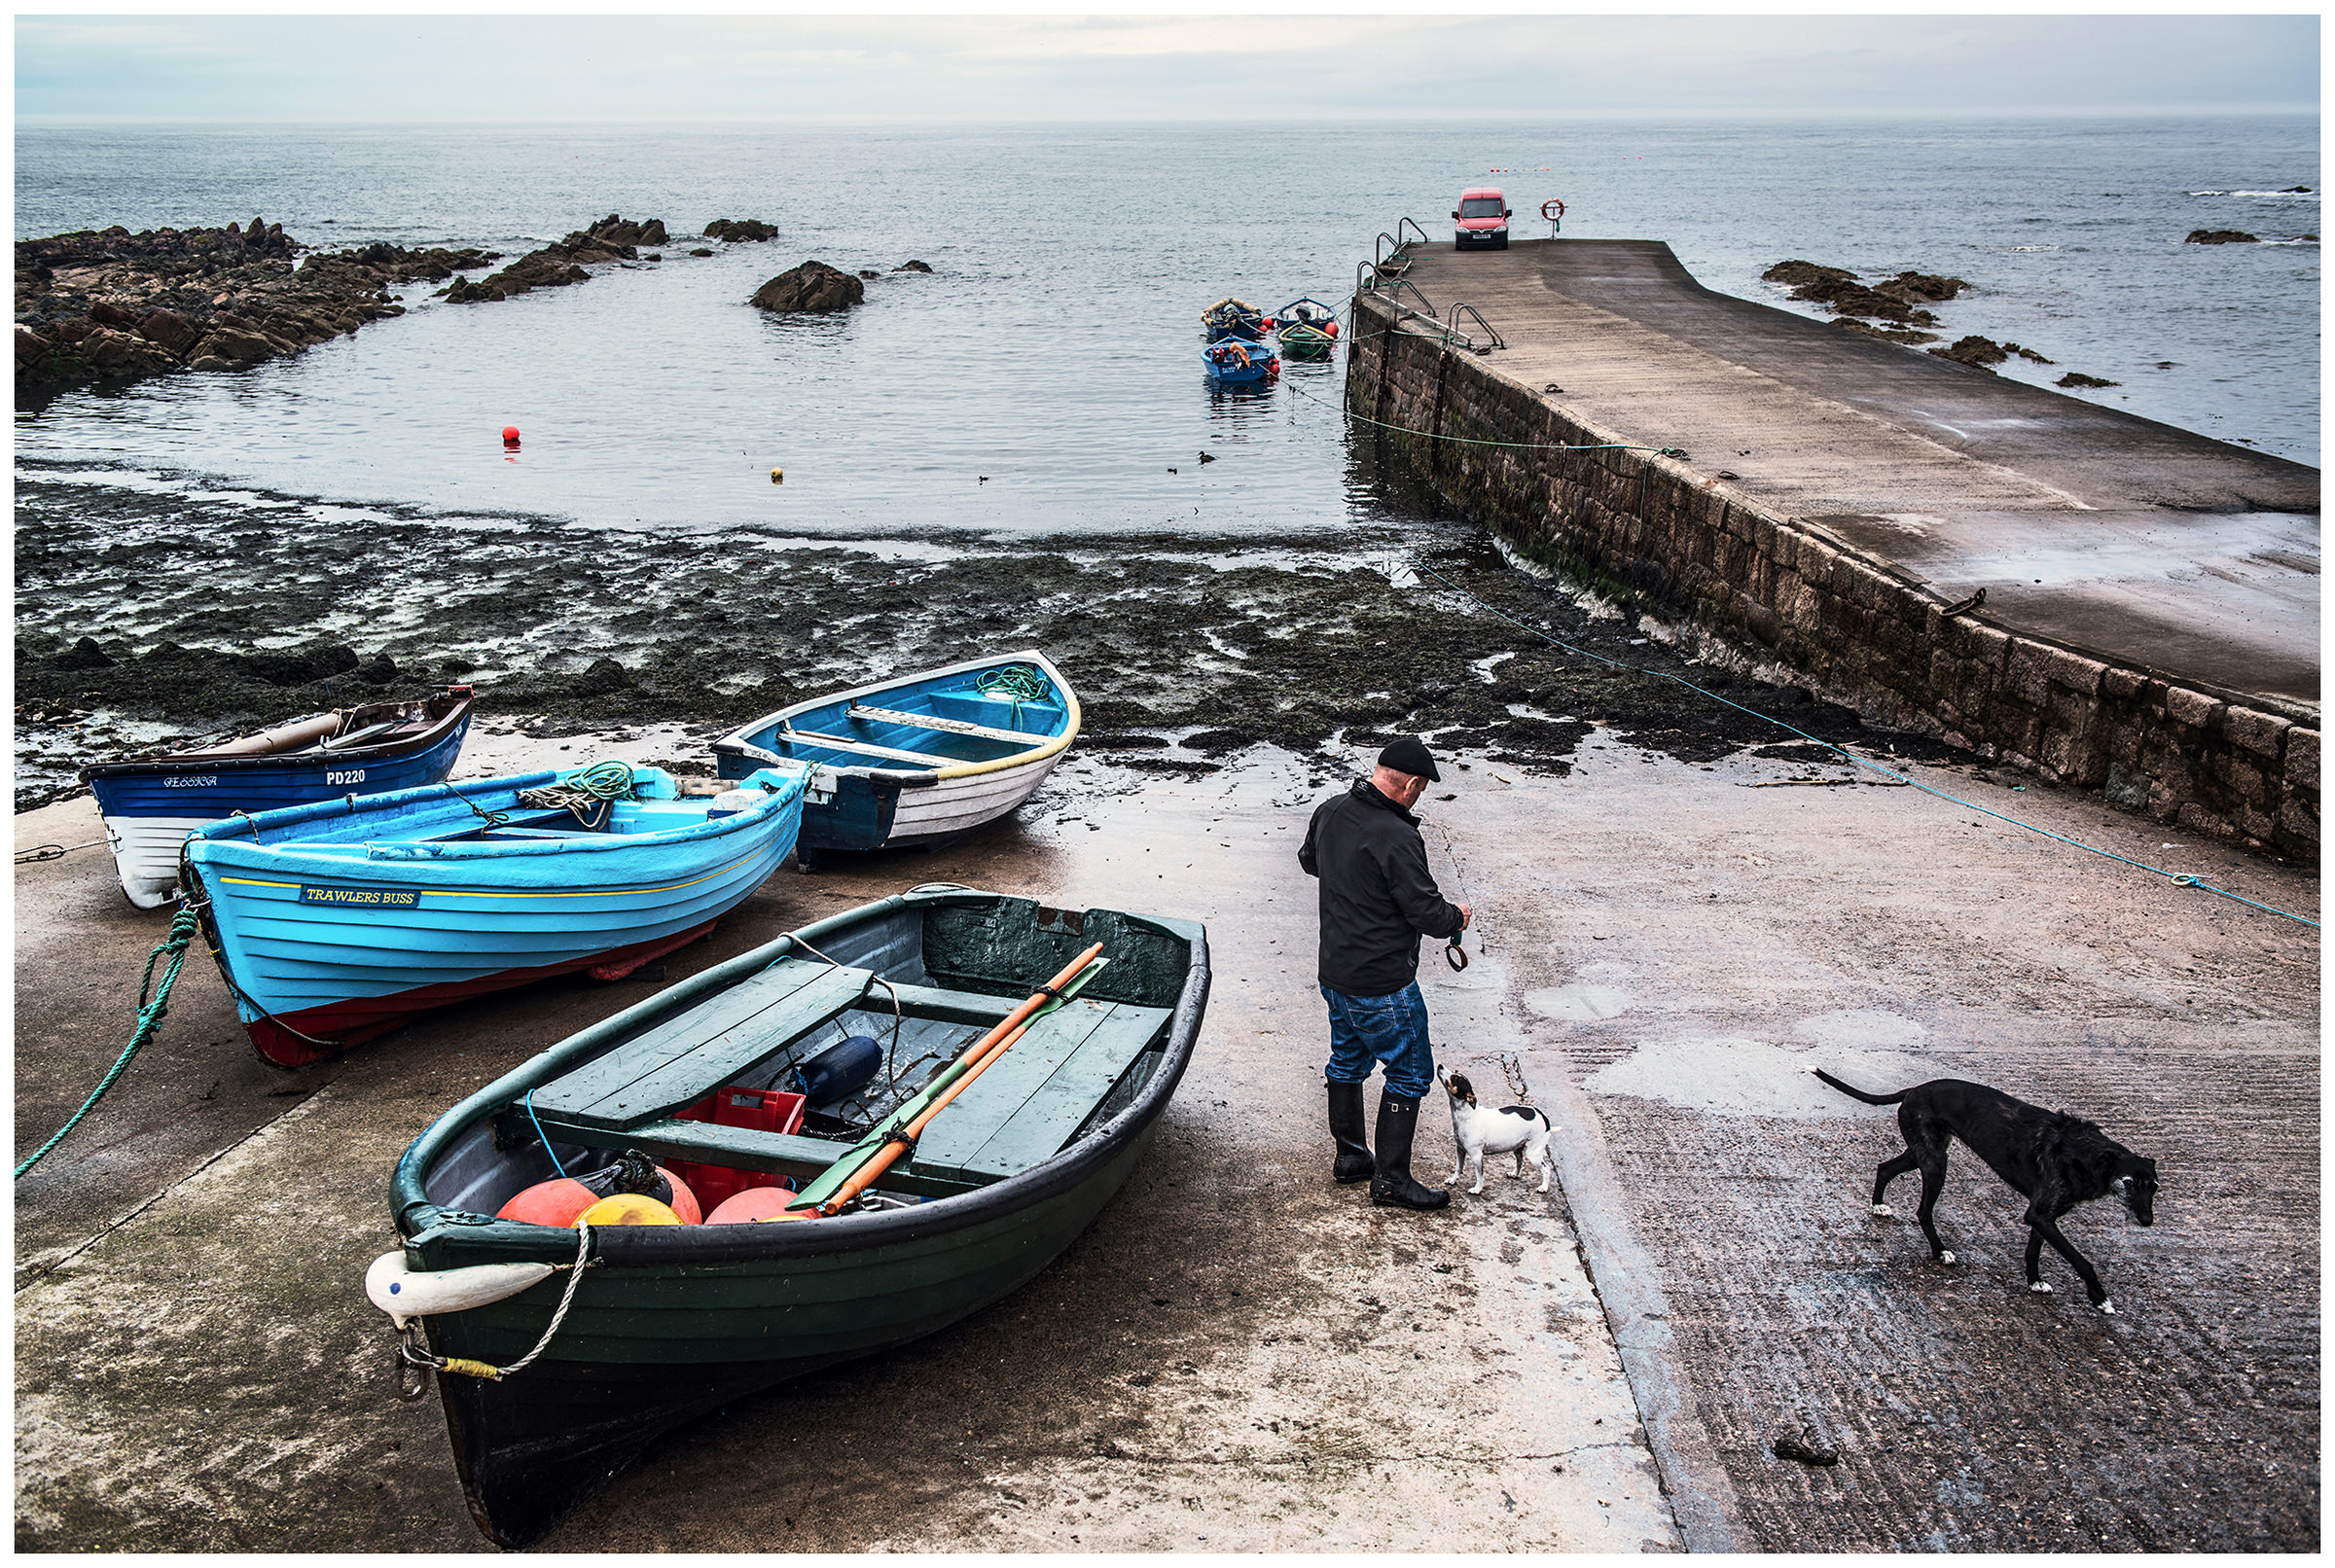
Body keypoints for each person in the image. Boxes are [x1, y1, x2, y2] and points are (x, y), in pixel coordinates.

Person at [1297, 735, 1470, 1211]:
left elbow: (1310, 861)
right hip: (1383, 983)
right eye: (1422, 789)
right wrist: (1457, 917)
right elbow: (1426, 913)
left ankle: (1352, 1159)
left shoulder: (1331, 810)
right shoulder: (1398, 835)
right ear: (1412, 784)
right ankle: (1392, 1180)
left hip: (1335, 974)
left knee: (1347, 1063)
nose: (1419, 796)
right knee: (1410, 1072)